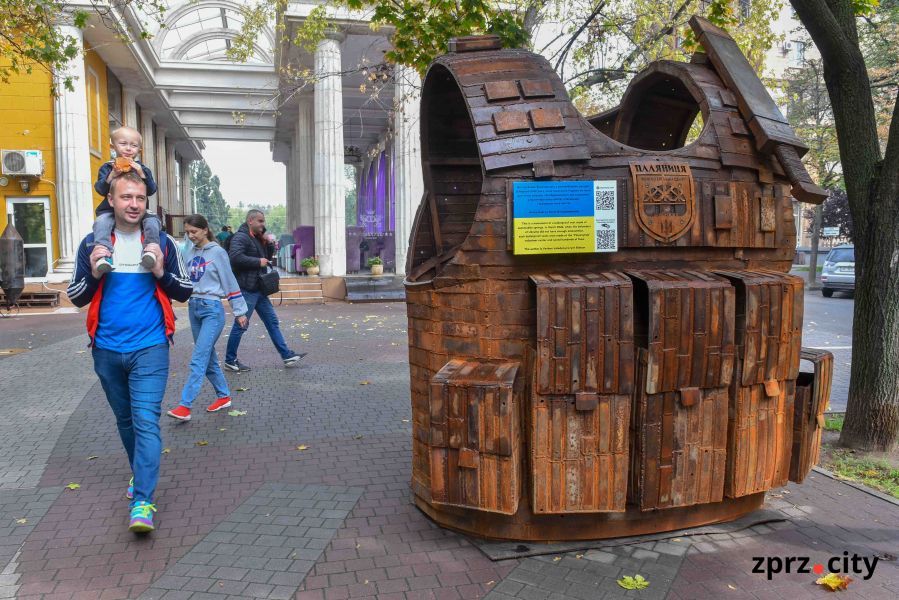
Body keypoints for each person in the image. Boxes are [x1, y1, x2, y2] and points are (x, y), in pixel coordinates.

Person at [67, 171, 193, 533]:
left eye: (139, 198)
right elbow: (77, 296)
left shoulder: (162, 242)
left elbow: (184, 291)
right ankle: (139, 472)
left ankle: (143, 500)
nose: (134, 204)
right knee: (125, 422)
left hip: (151, 348)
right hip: (106, 349)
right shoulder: (93, 243)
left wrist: (160, 274)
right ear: (111, 200)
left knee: (146, 421)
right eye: (126, 197)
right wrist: (93, 272)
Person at [167, 215, 249, 421]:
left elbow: (229, 281)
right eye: (187, 232)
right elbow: (182, 278)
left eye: (194, 231)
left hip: (212, 309)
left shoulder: (218, 252)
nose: (190, 236)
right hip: (193, 307)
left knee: (199, 357)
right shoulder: (189, 252)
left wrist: (240, 311)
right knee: (208, 357)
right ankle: (224, 396)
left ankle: (185, 406)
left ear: (205, 230)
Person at [224, 209, 305, 371]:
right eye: (260, 221)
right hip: (247, 289)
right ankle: (230, 360)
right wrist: (257, 261)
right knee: (241, 325)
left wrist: (268, 245)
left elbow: (266, 258)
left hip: (258, 289)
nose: (263, 224)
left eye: (264, 221)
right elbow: (235, 257)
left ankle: (286, 355)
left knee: (272, 321)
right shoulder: (241, 237)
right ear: (250, 221)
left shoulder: (256, 238)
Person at [92, 126, 162, 274]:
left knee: (153, 221)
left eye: (134, 145)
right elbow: (100, 189)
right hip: (109, 210)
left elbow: (152, 189)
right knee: (101, 223)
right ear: (113, 145)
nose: (129, 148)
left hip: (141, 212)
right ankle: (103, 254)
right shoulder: (107, 167)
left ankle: (150, 251)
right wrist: (112, 175)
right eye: (123, 144)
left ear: (139, 150)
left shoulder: (142, 168)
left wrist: (142, 174)